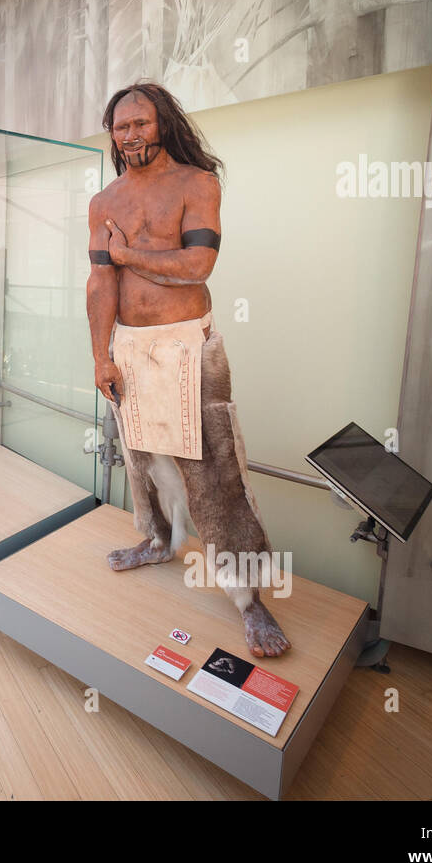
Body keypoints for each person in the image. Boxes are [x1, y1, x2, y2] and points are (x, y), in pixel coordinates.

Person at [86, 82, 290, 659]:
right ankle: (157, 540)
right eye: (120, 127)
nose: (129, 136)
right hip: (129, 347)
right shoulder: (105, 202)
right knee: (143, 460)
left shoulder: (198, 185)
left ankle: (249, 599)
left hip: (187, 347)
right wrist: (101, 354)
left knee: (215, 471)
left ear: (163, 124)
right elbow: (100, 282)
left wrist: (126, 255)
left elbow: (197, 265)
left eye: (140, 124)